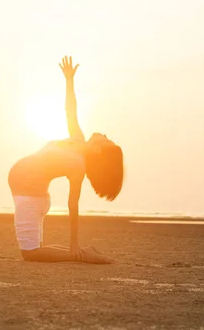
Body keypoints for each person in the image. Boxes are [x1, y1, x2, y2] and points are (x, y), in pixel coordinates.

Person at [8, 56, 124, 263]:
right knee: (36, 249)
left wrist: (73, 244)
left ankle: (79, 255)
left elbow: (73, 204)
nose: (104, 135)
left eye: (106, 140)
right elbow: (70, 110)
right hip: (30, 196)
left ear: (100, 153)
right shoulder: (77, 139)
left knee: (30, 253)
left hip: (30, 198)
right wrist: (69, 80)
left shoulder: (78, 165)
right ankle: (82, 253)